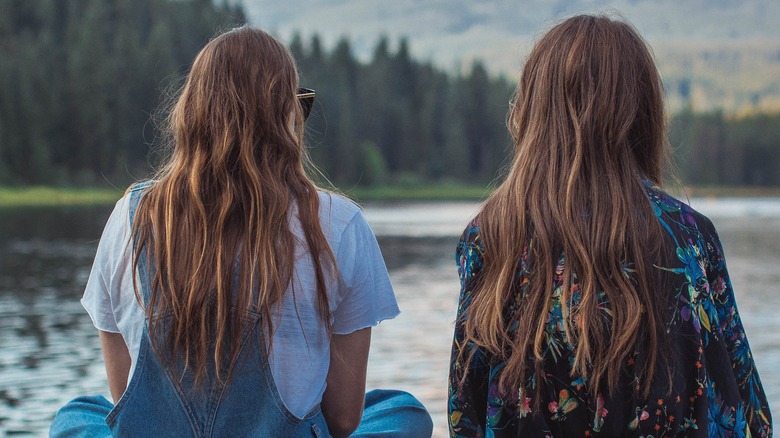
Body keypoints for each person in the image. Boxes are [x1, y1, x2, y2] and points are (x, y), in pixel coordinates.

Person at [50, 26, 433, 437]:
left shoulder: (130, 216)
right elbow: (342, 420)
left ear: (192, 112)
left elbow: (125, 401)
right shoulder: (339, 223)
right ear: (285, 117)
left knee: (77, 414)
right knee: (403, 411)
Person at [448, 14, 772, 437]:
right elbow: (746, 410)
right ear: (642, 113)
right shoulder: (688, 234)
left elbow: (464, 409)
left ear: (532, 109)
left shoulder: (489, 235)